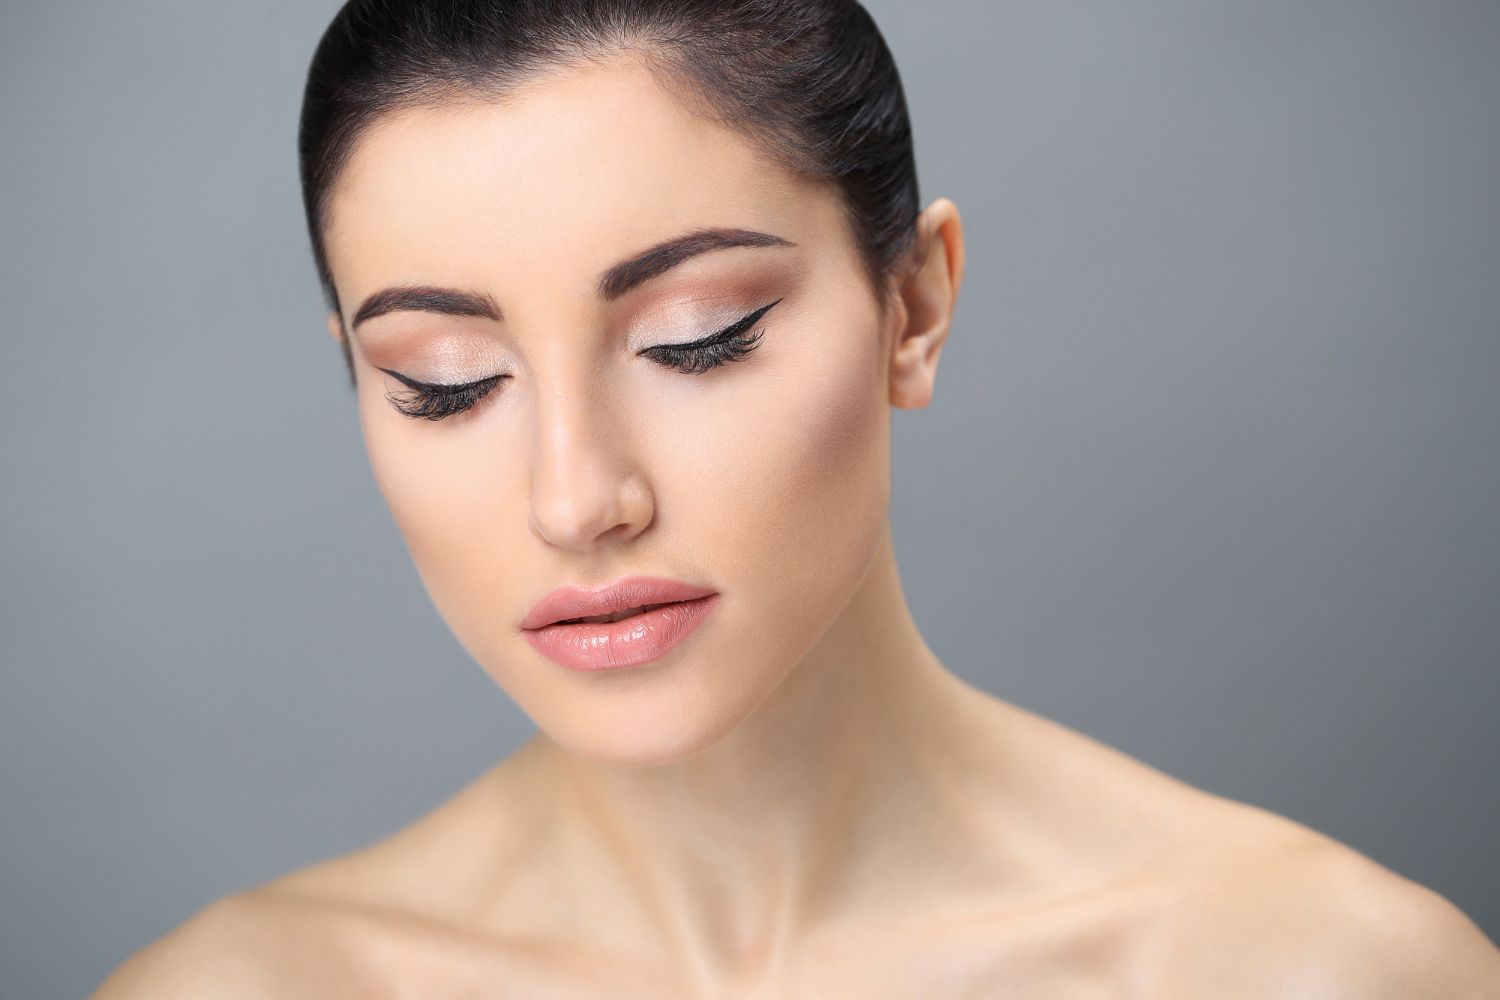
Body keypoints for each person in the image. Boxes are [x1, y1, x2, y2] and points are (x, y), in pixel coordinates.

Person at [93, 1, 1500, 996]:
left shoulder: (1325, 975)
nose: (579, 500)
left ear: (914, 305)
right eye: (446, 382)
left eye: (696, 336)